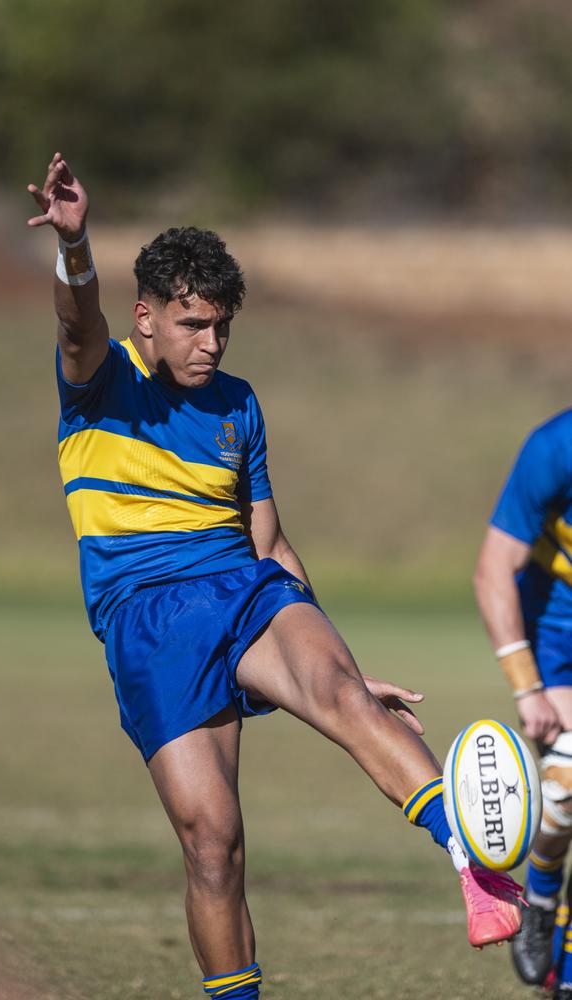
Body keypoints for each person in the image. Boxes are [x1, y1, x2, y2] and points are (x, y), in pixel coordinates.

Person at [28, 152, 523, 999]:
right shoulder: (97, 383)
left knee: (341, 698)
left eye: (222, 325)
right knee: (212, 844)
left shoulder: (238, 404)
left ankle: (478, 866)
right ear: (145, 319)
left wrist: (342, 664)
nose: (210, 343)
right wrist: (77, 247)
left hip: (243, 588)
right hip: (145, 620)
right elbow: (77, 318)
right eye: (192, 325)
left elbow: (273, 546)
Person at [475, 408, 572, 1000]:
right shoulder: (554, 448)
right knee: (567, 782)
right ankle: (540, 897)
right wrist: (526, 685)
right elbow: (492, 571)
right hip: (556, 632)